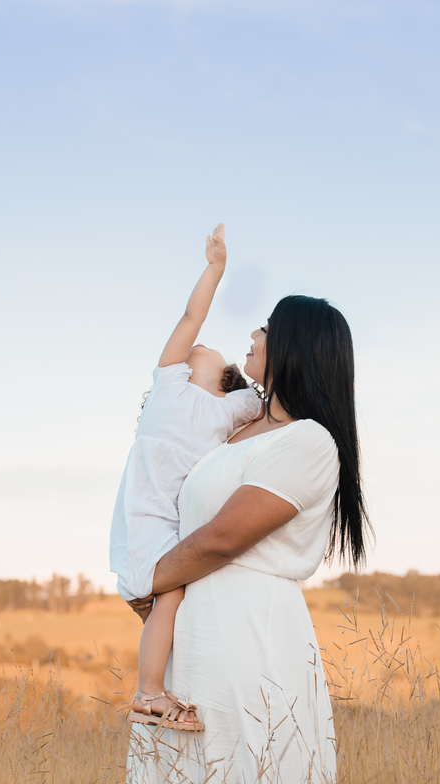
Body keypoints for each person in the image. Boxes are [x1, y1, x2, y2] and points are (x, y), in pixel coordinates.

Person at [126, 293, 370, 783]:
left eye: (265, 328)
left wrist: (150, 579)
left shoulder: (307, 440)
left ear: (294, 346)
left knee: (243, 764)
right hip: (191, 627)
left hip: (246, 632)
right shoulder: (235, 428)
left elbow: (223, 538)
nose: (253, 337)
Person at [109, 223, 263, 730]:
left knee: (173, 603)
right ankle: (149, 693)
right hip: (144, 522)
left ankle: (162, 690)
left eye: (211, 351)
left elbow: (273, 394)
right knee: (169, 598)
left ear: (223, 381)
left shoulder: (228, 409)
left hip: (167, 528)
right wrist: (215, 268)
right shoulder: (169, 382)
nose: (201, 344)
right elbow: (190, 316)